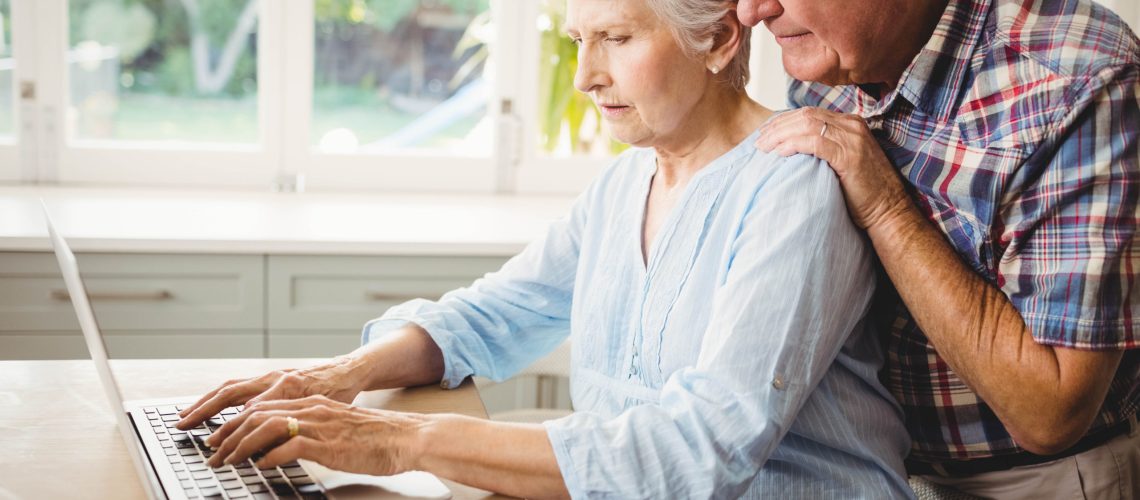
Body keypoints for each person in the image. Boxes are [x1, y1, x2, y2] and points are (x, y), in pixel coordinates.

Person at [175, 0, 915, 497]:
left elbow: (701, 446)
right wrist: (338, 376)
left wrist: (402, 440)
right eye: (577, 43)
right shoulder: (626, 184)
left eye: (617, 39)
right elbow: (492, 316)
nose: (588, 76)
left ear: (720, 39)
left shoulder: (795, 190)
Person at [737, 0, 1140, 496]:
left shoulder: (1078, 72)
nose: (751, 11)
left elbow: (1051, 412)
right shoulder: (823, 61)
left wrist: (886, 207)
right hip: (884, 473)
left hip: (1041, 480)